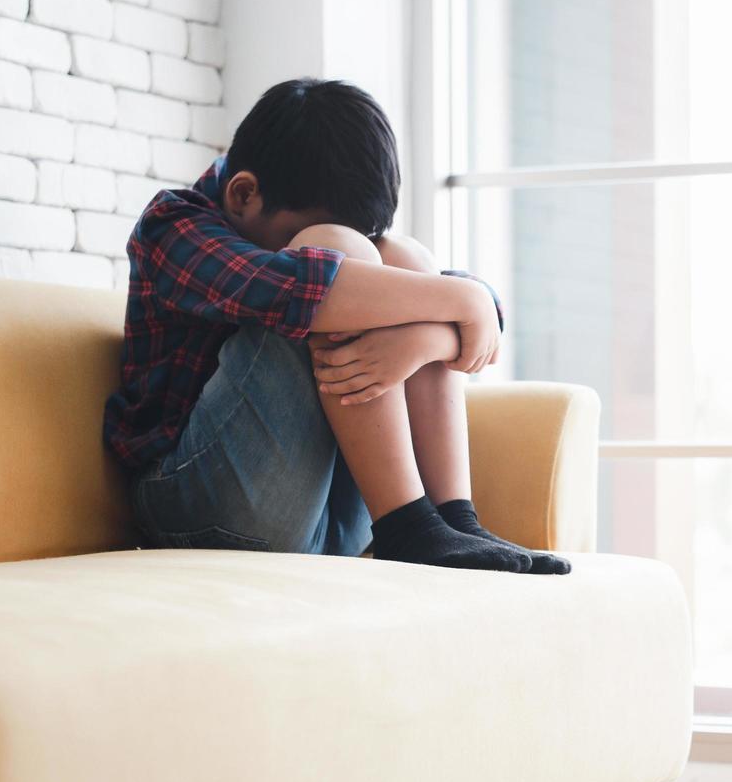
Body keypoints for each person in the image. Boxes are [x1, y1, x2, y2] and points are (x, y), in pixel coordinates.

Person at [102, 77, 570, 575]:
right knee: (339, 253)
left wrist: (422, 339)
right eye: (291, 232)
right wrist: (464, 303)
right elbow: (293, 289)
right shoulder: (172, 227)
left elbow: (479, 320)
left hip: (332, 518)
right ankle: (410, 527)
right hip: (199, 509)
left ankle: (451, 521)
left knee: (402, 255)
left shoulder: (275, 205)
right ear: (243, 194)